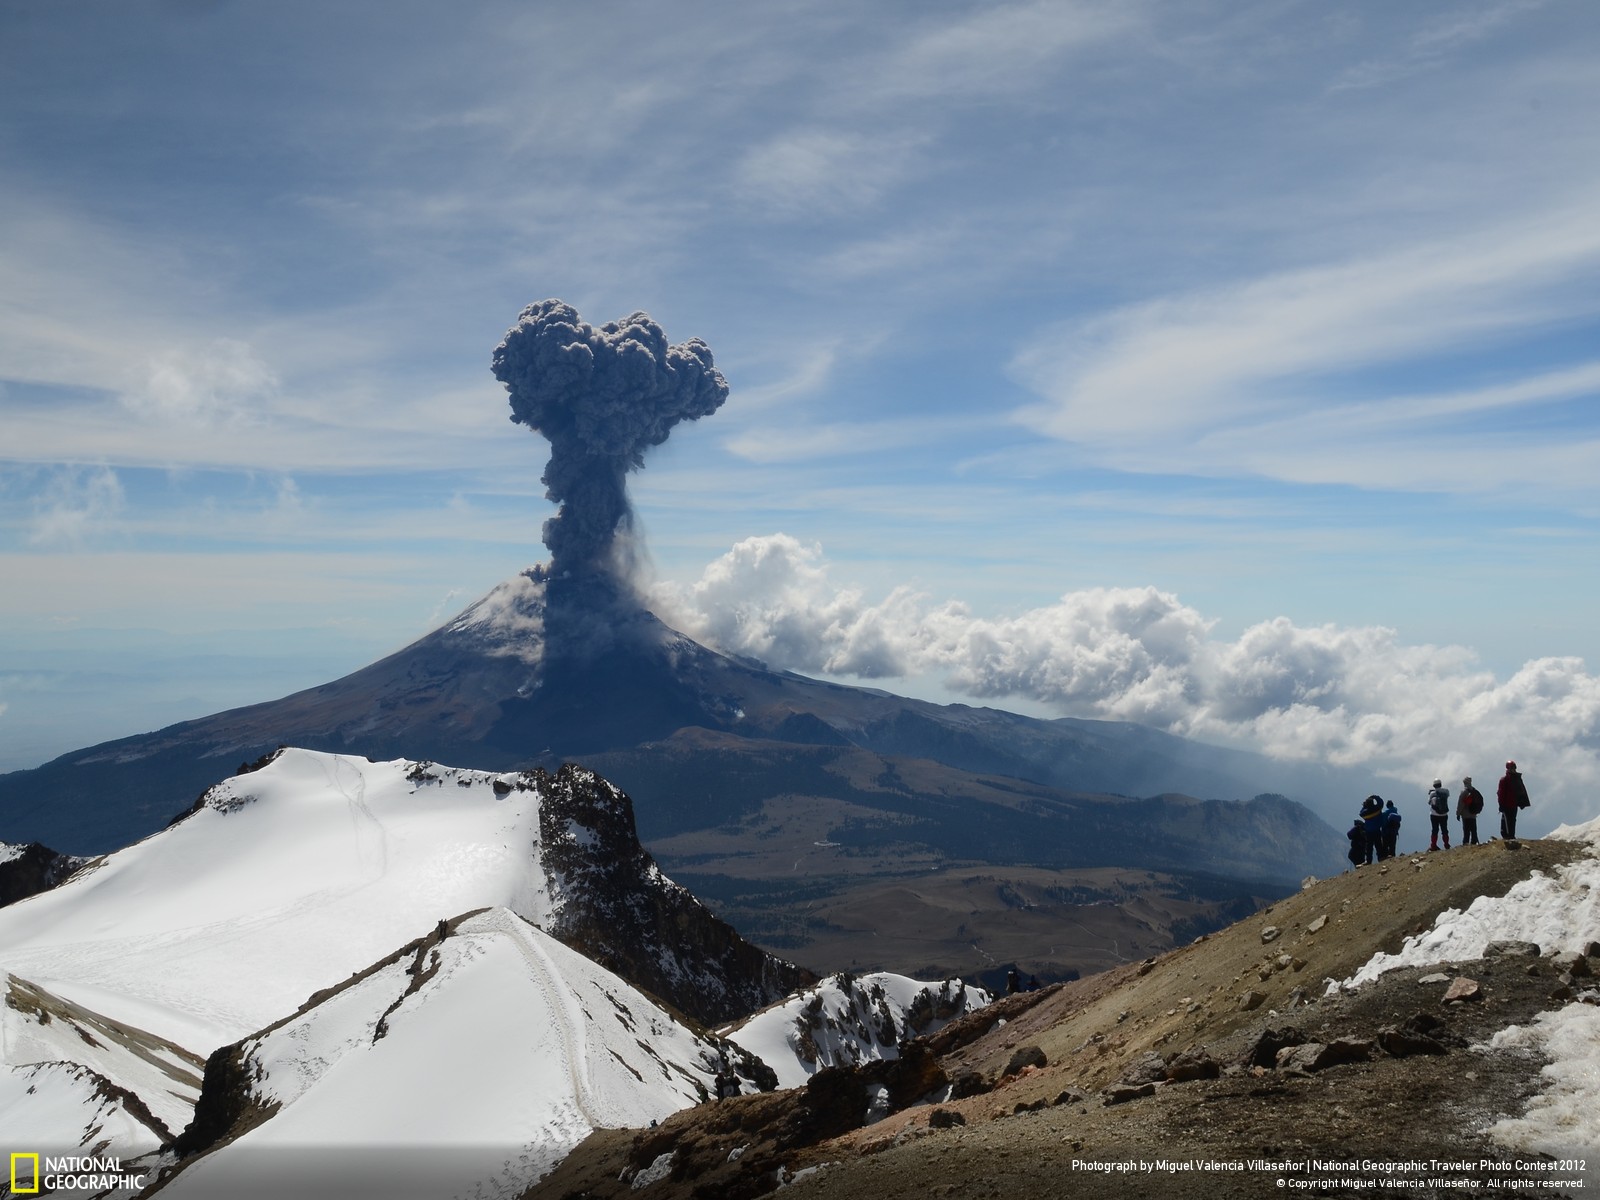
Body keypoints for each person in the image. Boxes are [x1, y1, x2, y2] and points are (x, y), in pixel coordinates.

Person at [1498, 761, 1530, 840]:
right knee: (1511, 820)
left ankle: (1508, 836)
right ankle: (1510, 835)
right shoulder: (1516, 779)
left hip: (1508, 804)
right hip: (1512, 804)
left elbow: (1501, 793)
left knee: (1508, 820)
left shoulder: (1505, 780)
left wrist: (1501, 804)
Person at [1457, 776, 1484, 845]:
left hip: (1465, 814)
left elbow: (1461, 804)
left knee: (1466, 830)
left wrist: (1458, 813)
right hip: (1473, 814)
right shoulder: (1475, 791)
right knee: (1473, 829)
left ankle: (1465, 842)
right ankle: (1474, 842)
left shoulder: (1464, 792)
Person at [1427, 779, 1451, 851]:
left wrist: (1431, 793)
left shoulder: (1432, 794)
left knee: (1435, 830)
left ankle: (1433, 845)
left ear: (1434, 785)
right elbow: (1447, 795)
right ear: (1440, 784)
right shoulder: (1446, 792)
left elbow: (1429, 802)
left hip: (1434, 815)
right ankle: (1446, 844)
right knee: (1444, 830)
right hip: (1444, 814)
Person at [1360, 795, 1385, 863]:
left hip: (1369, 832)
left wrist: (1364, 806)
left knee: (1369, 847)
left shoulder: (1365, 813)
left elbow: (1361, 812)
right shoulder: (1378, 808)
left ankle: (1368, 861)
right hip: (1377, 830)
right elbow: (1381, 802)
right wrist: (1375, 796)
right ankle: (1381, 857)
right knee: (1378, 844)